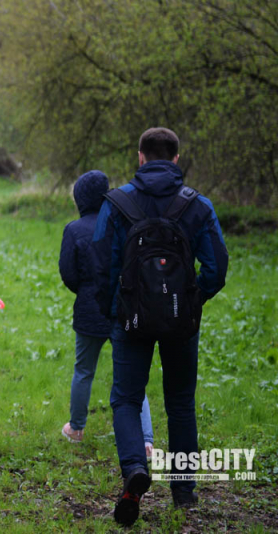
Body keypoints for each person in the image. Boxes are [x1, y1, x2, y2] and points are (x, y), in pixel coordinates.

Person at [92, 128, 228, 525]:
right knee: (181, 402)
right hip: (180, 320)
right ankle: (184, 491)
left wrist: (114, 308)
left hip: (131, 320)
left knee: (127, 399)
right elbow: (217, 267)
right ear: (175, 159)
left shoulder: (116, 203)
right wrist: (193, 299)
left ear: (140, 158)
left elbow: (102, 264)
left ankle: (135, 469)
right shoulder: (198, 206)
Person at [59, 170, 154, 453]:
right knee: (133, 373)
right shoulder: (125, 222)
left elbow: (68, 274)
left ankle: (76, 428)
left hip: (89, 309)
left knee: (83, 370)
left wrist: (86, 291)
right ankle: (146, 440)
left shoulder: (74, 229)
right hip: (125, 306)